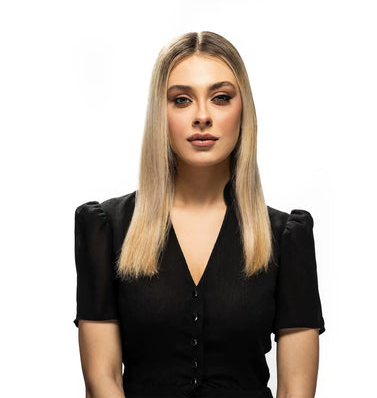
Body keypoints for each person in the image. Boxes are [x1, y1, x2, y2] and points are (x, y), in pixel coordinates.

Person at [73, 31, 326, 398]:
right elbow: (103, 381)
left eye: (221, 98)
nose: (202, 116)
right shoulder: (106, 229)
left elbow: (296, 390)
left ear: (243, 110)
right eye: (182, 100)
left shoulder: (287, 239)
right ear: (160, 113)